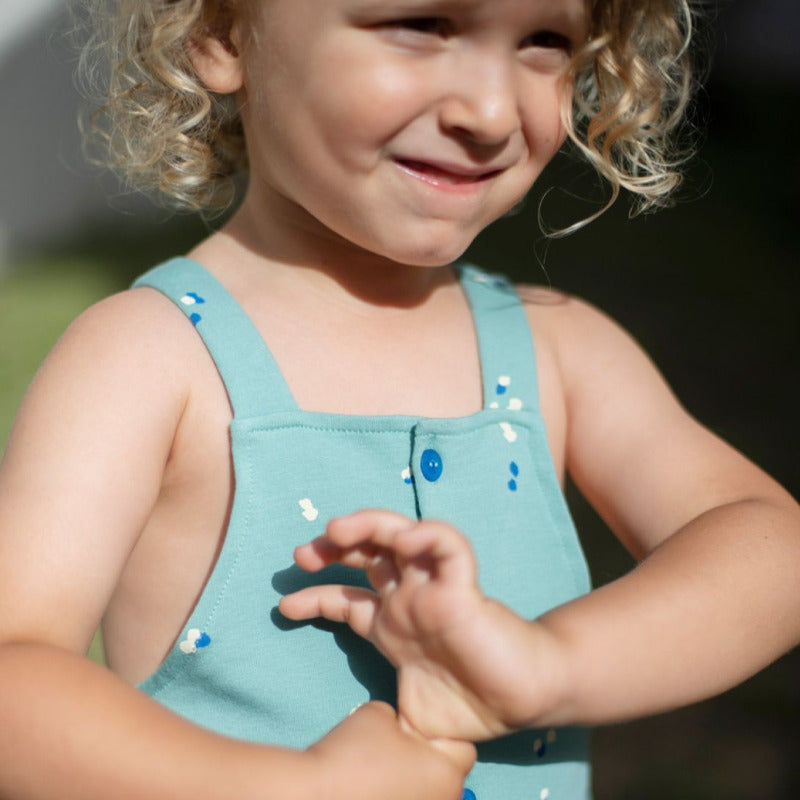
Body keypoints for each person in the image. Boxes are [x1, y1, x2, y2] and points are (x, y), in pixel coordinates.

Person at [0, 0, 797, 799]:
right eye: (420, 25)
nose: (487, 112)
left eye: (545, 41)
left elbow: (771, 549)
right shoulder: (151, 359)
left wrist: (540, 667)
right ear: (219, 32)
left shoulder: (562, 352)